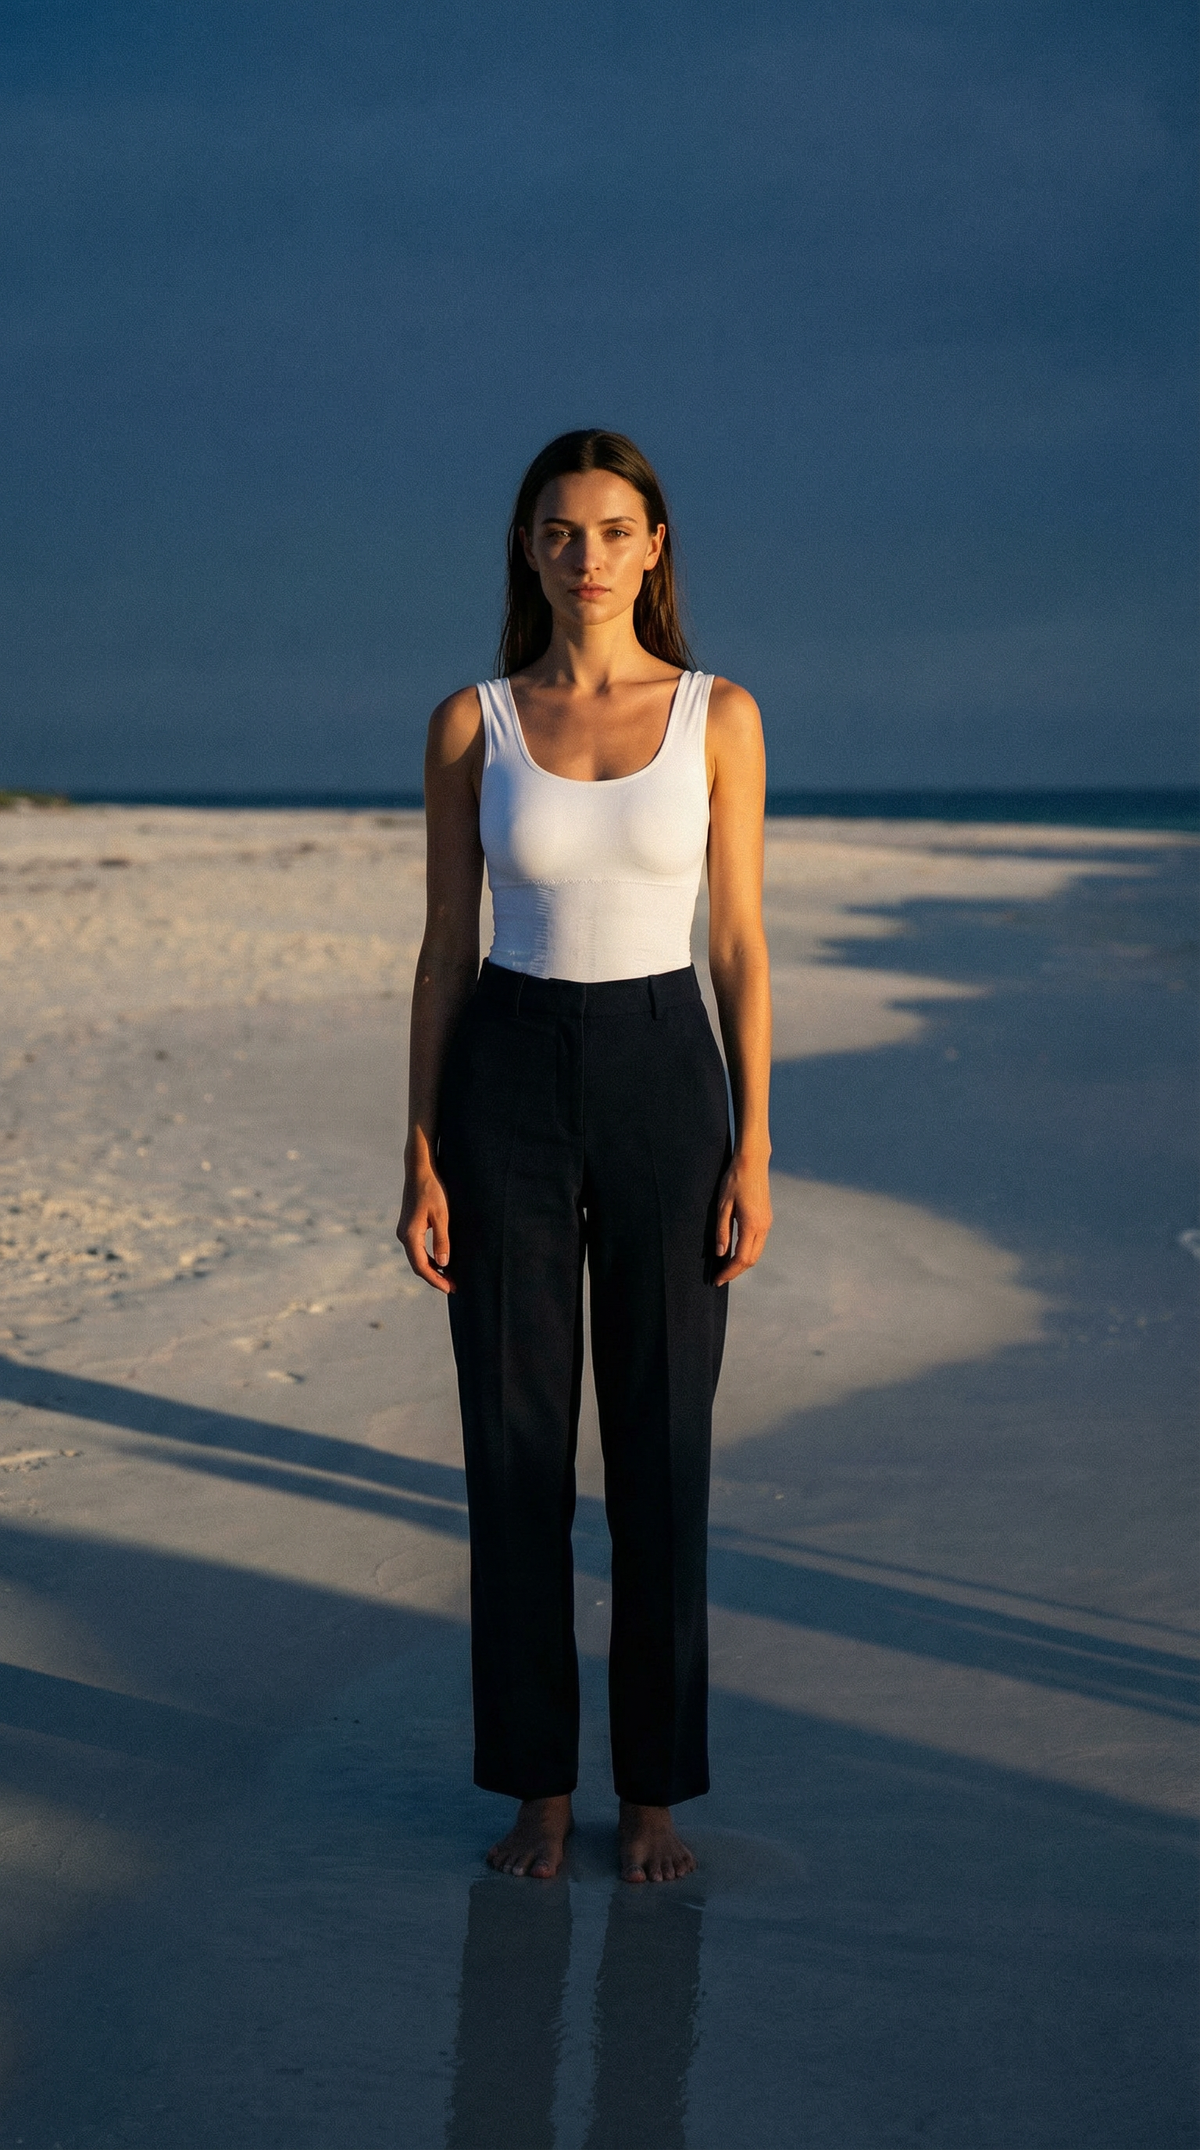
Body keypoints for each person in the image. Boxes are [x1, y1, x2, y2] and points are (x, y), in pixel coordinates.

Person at [398, 429, 772, 1884]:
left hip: (669, 1076)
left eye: (614, 531)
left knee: (665, 1447)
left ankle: (659, 1790)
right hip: (505, 1075)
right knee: (514, 1453)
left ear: (655, 546)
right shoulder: (469, 723)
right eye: (560, 533)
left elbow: (737, 940)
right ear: (529, 551)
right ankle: (538, 1787)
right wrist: (420, 1142)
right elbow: (441, 951)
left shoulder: (719, 717)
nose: (588, 556)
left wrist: (753, 1144)